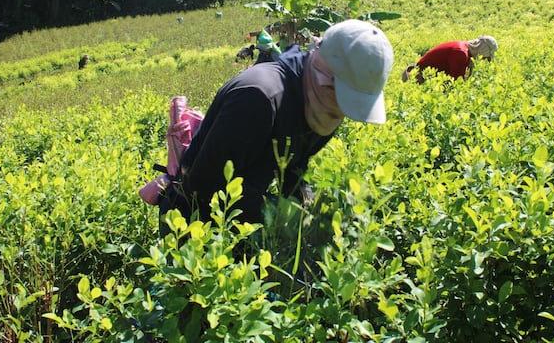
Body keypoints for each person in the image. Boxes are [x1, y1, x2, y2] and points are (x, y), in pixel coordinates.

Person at [159, 19, 394, 229]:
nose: (342, 112)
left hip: (243, 210)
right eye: (342, 98)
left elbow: (293, 171)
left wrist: (308, 213)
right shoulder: (258, 98)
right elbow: (203, 188)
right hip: (194, 225)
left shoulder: (321, 106)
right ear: (326, 77)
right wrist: (275, 219)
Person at [401, 35, 498, 84]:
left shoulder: (464, 50)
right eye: (487, 57)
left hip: (424, 79)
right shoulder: (461, 53)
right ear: (483, 50)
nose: (484, 60)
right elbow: (456, 84)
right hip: (416, 80)